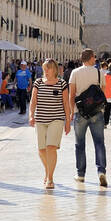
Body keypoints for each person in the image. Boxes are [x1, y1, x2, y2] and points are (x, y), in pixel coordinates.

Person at [68, 49, 107, 186]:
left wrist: (72, 111)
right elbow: (103, 92)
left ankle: (80, 174)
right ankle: (101, 171)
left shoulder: (75, 72)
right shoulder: (99, 72)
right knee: (99, 143)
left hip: (80, 112)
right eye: (94, 57)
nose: (95, 59)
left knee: (80, 144)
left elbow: (71, 94)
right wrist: (101, 108)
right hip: (96, 112)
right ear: (91, 58)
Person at [29, 58, 70, 189]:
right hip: (40, 119)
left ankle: (50, 178)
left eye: (48, 69)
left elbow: (65, 103)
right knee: (41, 150)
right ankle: (47, 171)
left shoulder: (62, 84)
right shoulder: (38, 83)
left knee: (51, 147)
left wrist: (68, 121)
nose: (45, 71)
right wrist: (31, 115)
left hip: (56, 119)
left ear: (54, 70)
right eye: (44, 69)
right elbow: (33, 101)